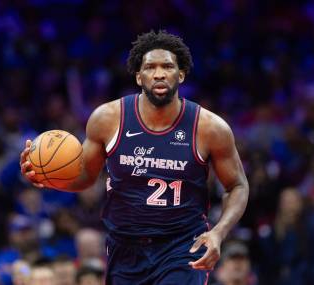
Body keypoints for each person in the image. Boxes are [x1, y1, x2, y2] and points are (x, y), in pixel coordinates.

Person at [20, 30, 249, 284]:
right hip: (124, 246)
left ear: (181, 74)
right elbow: (85, 176)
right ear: (139, 76)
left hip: (182, 246)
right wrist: (46, 177)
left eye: (168, 66)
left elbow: (237, 185)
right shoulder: (107, 119)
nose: (159, 73)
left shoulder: (209, 128)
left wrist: (219, 232)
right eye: (150, 67)